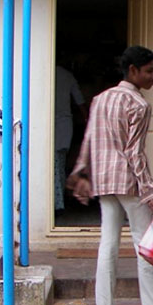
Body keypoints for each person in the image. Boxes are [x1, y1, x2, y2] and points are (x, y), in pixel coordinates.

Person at [66, 46, 153, 305]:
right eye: (150, 71)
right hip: (128, 181)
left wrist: (81, 171)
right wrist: (151, 193)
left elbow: (89, 139)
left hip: (103, 180)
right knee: (146, 243)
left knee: (108, 244)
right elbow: (135, 153)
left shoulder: (100, 99)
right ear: (133, 71)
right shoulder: (139, 104)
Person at [54, 63, 87, 212]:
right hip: (63, 124)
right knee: (59, 164)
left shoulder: (43, 72)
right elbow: (79, 101)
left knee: (54, 165)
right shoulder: (67, 75)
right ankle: (58, 202)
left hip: (50, 124)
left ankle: (57, 203)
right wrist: (88, 121)